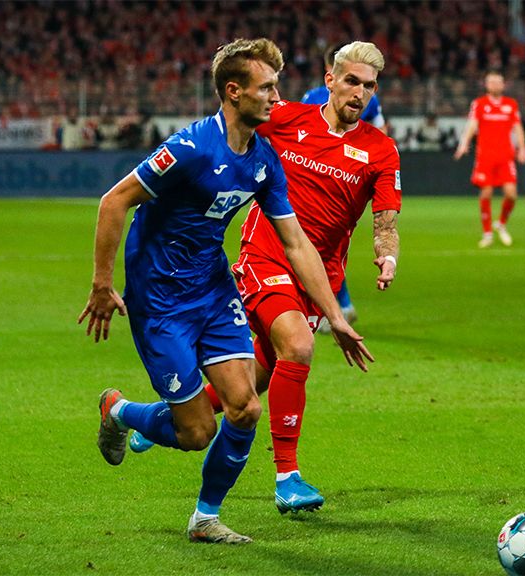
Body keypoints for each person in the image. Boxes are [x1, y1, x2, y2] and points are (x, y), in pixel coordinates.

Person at [78, 38, 372, 545]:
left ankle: (205, 518)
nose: (278, 98)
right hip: (160, 299)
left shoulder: (262, 159)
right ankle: (120, 411)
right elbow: (113, 202)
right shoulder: (190, 149)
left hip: (213, 289)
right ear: (233, 93)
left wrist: (336, 316)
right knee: (196, 432)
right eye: (268, 88)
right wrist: (103, 285)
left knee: (245, 407)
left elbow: (295, 241)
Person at [301, 44, 388, 326]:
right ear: (332, 75)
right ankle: (337, 307)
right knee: (328, 246)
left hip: (325, 179)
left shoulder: (311, 97)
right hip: (346, 180)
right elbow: (382, 129)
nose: (359, 91)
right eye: (351, 80)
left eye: (366, 84)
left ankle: (329, 309)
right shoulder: (369, 103)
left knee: (324, 248)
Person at [454, 70, 525, 248]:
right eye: (491, 82)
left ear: (503, 85)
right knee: (486, 193)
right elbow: (472, 125)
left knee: (511, 195)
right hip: (485, 156)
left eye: (498, 82)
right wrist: (464, 143)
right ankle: (487, 233)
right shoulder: (479, 104)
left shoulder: (511, 104)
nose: (495, 85)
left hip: (506, 156)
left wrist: (522, 148)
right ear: (486, 85)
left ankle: (501, 223)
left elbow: (517, 128)